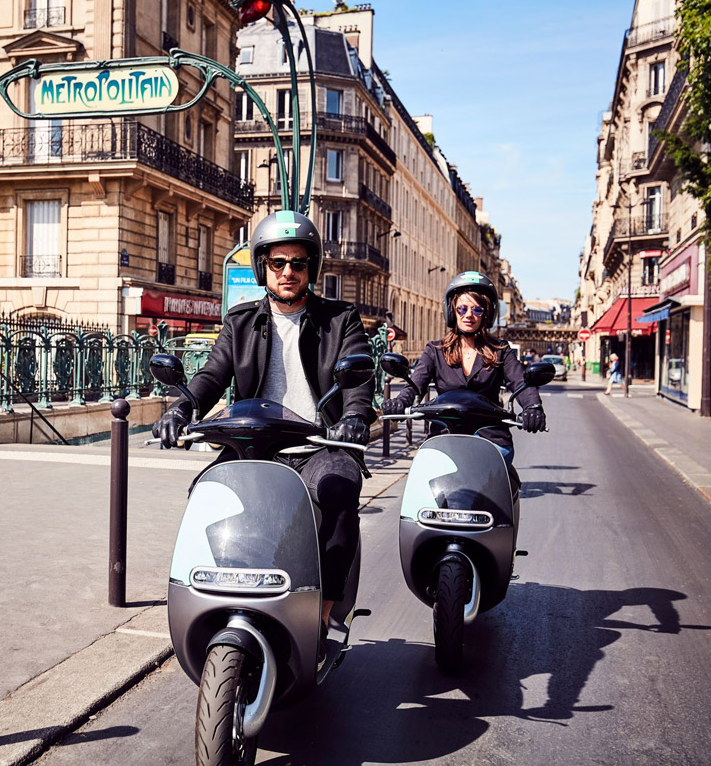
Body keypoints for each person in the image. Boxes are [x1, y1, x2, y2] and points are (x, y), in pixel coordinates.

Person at [152, 211, 375, 631]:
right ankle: (214, 598)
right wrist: (182, 408)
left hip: (320, 446)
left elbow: (358, 384)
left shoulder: (341, 320)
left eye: (298, 263)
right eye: (278, 263)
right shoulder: (240, 322)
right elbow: (212, 375)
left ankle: (323, 616)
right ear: (262, 268)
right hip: (254, 445)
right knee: (206, 493)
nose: (288, 272)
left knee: (340, 490)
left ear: (312, 268)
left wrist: (355, 419)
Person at [379, 271, 546, 485]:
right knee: (423, 482)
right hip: (445, 437)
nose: (469, 315)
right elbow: (416, 384)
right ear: (452, 312)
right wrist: (401, 402)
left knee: (488, 483)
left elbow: (520, 382)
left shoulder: (500, 351)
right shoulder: (435, 350)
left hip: (490, 438)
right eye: (462, 308)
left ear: (487, 314)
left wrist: (533, 407)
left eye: (477, 309)